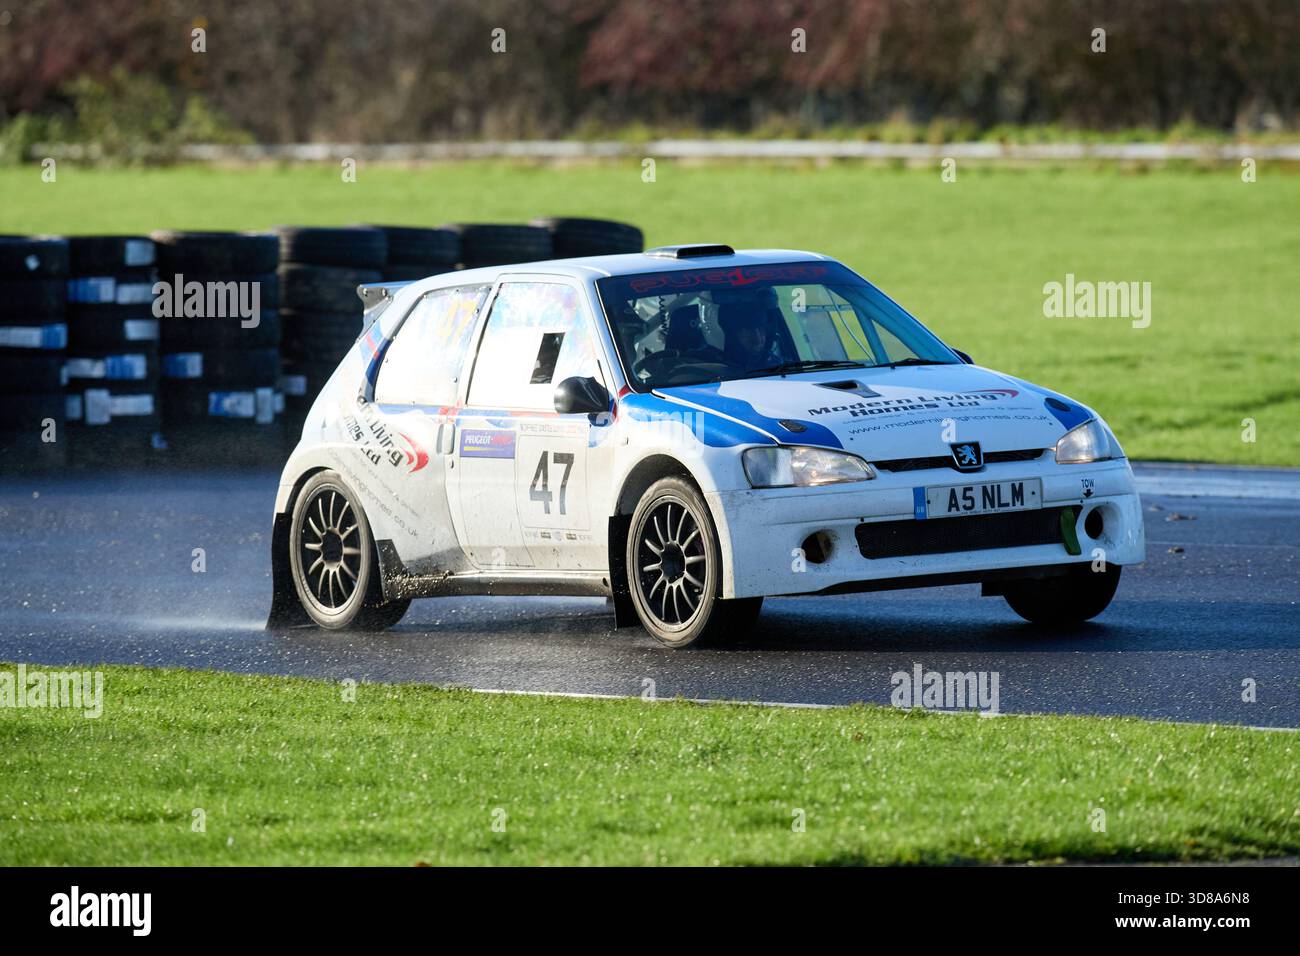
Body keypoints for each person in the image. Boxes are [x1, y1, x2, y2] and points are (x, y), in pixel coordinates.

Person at [717, 301, 779, 371]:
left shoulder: (778, 365)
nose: (757, 340)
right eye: (747, 332)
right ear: (731, 336)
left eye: (761, 330)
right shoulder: (716, 369)